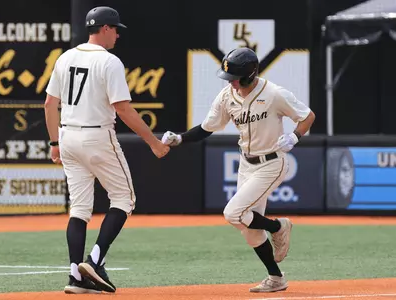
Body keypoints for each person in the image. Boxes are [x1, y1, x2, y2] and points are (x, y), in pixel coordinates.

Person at [161, 47, 315, 293]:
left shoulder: (274, 93)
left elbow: (307, 116)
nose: (231, 82)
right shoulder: (226, 96)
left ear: (251, 74)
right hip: (246, 163)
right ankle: (276, 278)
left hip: (272, 162)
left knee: (233, 212)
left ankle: (278, 227)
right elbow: (207, 127)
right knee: (250, 231)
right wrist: (180, 138)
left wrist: (295, 136)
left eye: (234, 77)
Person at [44, 6, 170, 295]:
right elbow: (123, 109)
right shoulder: (109, 61)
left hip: (68, 136)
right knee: (124, 198)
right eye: (115, 29)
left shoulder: (66, 57)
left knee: (79, 209)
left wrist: (54, 143)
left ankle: (75, 276)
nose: (117, 35)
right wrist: (153, 142)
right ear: (104, 28)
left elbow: (50, 104)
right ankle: (95, 260)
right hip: (97, 136)